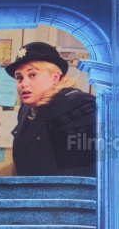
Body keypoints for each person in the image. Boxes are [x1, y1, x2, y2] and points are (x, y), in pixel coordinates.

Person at [6, 42, 96, 177]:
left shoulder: (79, 105)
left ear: (55, 77)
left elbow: (89, 171)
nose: (24, 83)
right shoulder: (26, 110)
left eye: (32, 75)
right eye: (19, 78)